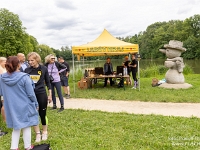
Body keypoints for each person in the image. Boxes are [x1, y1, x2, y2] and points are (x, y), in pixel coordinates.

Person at [0, 56, 39, 150]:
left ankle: (14, 147)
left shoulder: (2, 78)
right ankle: (28, 146)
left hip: (11, 106)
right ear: (18, 65)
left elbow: (1, 92)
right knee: (27, 125)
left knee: (16, 127)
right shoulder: (25, 77)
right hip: (25, 105)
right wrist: (36, 103)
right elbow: (31, 94)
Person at [25, 52, 52, 142]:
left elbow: (48, 82)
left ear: (37, 60)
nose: (30, 62)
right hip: (30, 95)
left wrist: (50, 94)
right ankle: (37, 134)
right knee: (33, 114)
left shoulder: (44, 68)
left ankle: (44, 131)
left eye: (32, 60)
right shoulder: (27, 70)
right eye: (29, 60)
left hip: (41, 93)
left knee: (42, 114)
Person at [0, 57, 8, 137]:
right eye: (5, 61)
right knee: (3, 105)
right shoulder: (0, 70)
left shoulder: (3, 68)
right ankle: (5, 120)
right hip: (2, 90)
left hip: (3, 90)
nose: (6, 63)